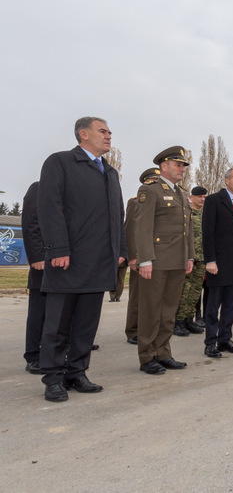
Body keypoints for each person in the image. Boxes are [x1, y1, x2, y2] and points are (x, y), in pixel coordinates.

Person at [37, 116, 126, 401]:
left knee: (86, 324)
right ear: (83, 134)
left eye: (110, 132)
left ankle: (76, 372)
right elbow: (49, 207)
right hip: (69, 259)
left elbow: (118, 215)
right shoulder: (60, 162)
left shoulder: (109, 172)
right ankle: (53, 377)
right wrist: (58, 248)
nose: (109, 136)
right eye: (103, 131)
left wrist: (121, 250)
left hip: (99, 261)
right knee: (58, 325)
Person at [135, 146, 195, 374]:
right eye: (178, 165)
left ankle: (163, 353)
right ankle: (147, 356)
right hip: (156, 262)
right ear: (164, 166)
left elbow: (187, 229)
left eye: (183, 166)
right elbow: (143, 227)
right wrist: (145, 260)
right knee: (151, 310)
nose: (182, 169)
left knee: (169, 311)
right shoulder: (150, 190)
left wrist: (190, 256)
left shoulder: (181, 193)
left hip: (178, 261)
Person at [202, 168, 233, 357]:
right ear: (227, 181)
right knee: (214, 305)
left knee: (231, 304)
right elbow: (207, 232)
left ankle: (225, 339)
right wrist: (210, 260)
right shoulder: (214, 200)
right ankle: (210, 342)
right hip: (218, 263)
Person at [124, 167, 162, 345]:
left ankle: (150, 329)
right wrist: (133, 256)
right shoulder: (135, 202)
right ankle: (133, 330)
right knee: (137, 295)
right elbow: (131, 229)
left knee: (154, 296)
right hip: (141, 255)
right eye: (153, 181)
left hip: (158, 255)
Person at [173, 186, 207, 336]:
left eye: (204, 197)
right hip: (188, 258)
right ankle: (178, 321)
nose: (202, 199)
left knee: (195, 290)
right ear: (191, 197)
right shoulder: (186, 213)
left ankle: (189, 319)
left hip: (202, 258)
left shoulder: (206, 215)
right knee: (184, 290)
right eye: (199, 196)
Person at [22, 181, 46, 374]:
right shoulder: (39, 188)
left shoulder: (65, 191)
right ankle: (33, 355)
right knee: (39, 310)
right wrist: (36, 256)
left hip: (66, 262)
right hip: (43, 261)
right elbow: (30, 224)